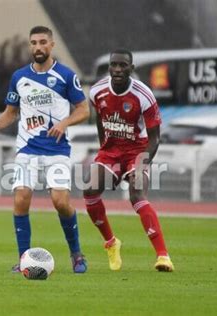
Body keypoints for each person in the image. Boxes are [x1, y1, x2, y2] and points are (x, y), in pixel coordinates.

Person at [0, 26, 90, 273]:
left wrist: (65, 123)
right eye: (33, 43)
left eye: (43, 42)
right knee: (21, 199)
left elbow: (84, 109)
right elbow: (11, 113)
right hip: (27, 149)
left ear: (52, 45)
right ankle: (24, 260)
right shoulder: (19, 77)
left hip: (57, 150)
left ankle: (76, 254)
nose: (38, 47)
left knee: (60, 202)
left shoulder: (65, 75)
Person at [84, 49, 174, 271]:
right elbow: (100, 122)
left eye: (123, 65)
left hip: (137, 149)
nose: (117, 69)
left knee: (136, 194)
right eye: (114, 65)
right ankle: (111, 243)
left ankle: (163, 256)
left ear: (131, 69)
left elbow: (154, 138)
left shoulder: (144, 95)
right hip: (111, 151)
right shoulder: (97, 91)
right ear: (109, 67)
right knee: (89, 189)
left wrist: (142, 163)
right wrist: (103, 149)